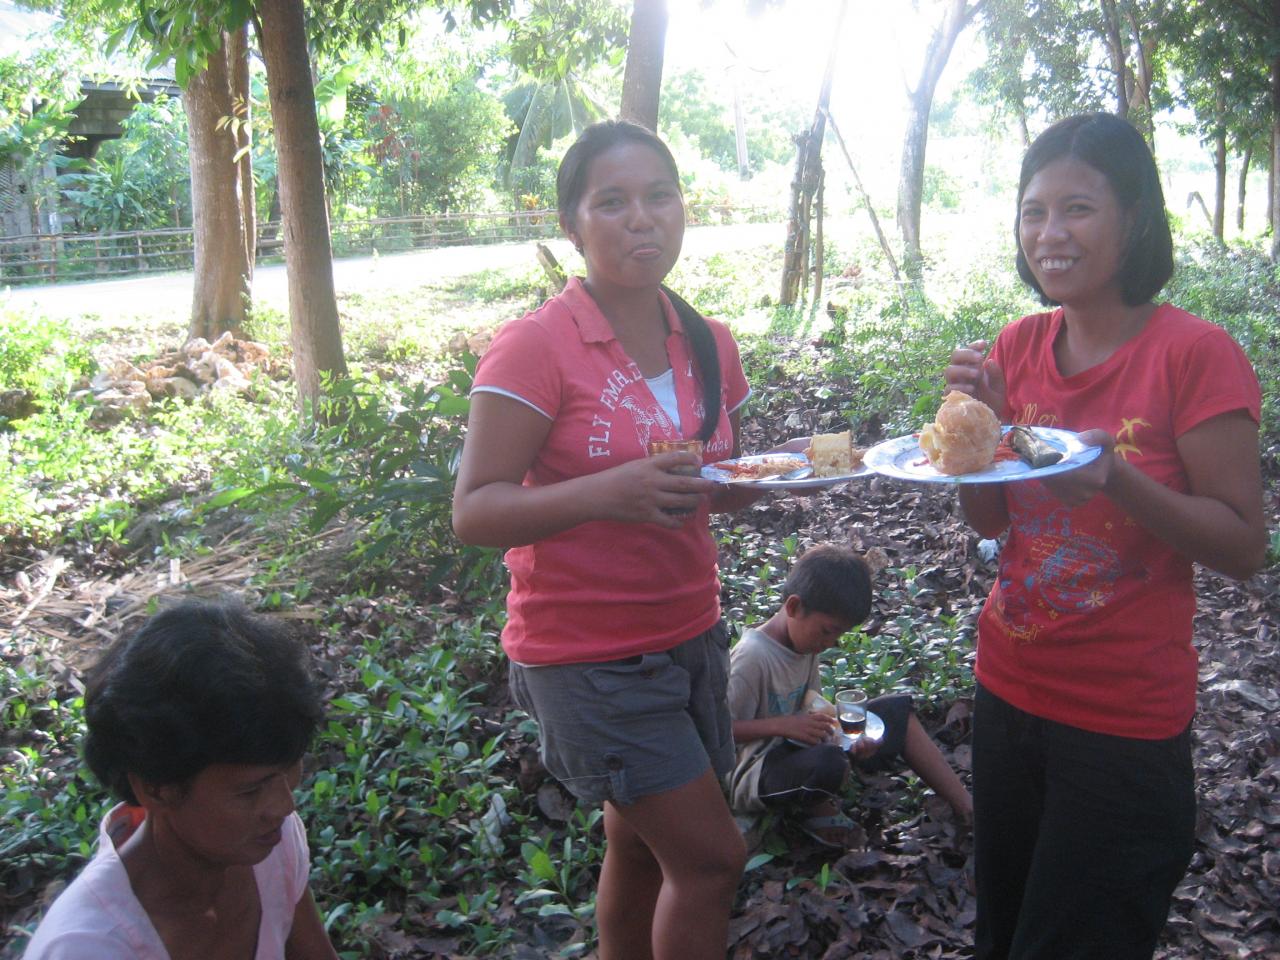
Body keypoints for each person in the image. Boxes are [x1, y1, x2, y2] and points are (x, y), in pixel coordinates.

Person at [942, 113, 1266, 960]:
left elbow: (1243, 548)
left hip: (1122, 723)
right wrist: (977, 433)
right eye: (1033, 211)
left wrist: (1117, 477)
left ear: (1135, 218)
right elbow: (993, 522)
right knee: (1005, 938)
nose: (1050, 234)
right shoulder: (1017, 344)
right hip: (1008, 688)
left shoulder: (1194, 355)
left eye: (1078, 209)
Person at [452, 119, 765, 960]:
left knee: (638, 845)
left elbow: (713, 481)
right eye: (613, 202)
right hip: (587, 656)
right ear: (572, 225)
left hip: (688, 633)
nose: (643, 219)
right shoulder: (536, 346)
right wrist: (608, 495)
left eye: (660, 196)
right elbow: (474, 510)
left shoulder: (706, 341)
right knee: (711, 858)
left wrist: (761, 489)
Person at [23, 601, 338, 960]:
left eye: (289, 768)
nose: (284, 806)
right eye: (250, 790)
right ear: (157, 788)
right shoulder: (86, 947)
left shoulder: (270, 847)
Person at [726, 544, 973, 849]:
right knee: (828, 763)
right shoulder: (753, 656)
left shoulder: (805, 644)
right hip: (755, 772)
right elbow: (720, 731)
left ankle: (968, 808)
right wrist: (783, 725)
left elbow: (813, 708)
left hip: (798, 747)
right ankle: (813, 810)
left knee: (896, 713)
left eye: (839, 635)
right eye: (828, 631)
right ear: (793, 607)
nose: (831, 643)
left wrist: (846, 736)